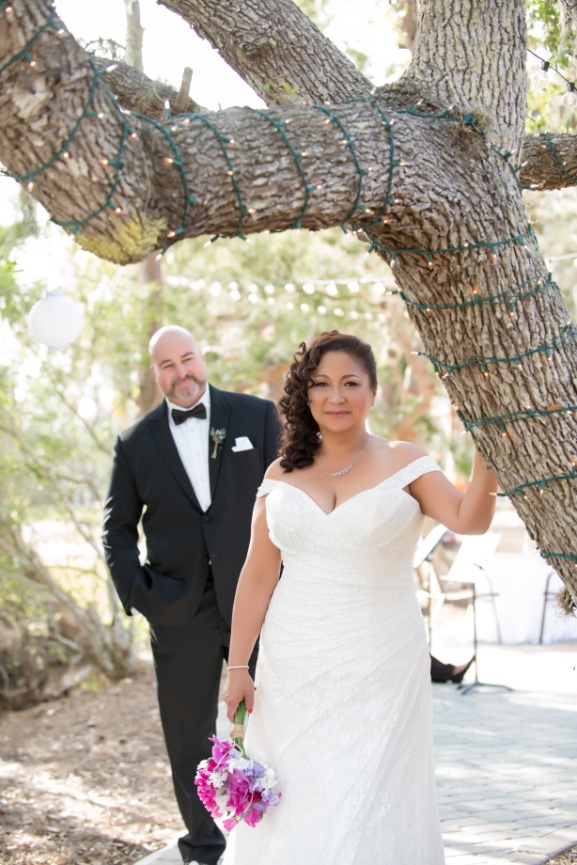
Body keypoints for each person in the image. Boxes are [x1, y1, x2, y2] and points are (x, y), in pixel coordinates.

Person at [222, 331, 498, 865]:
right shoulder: (280, 474)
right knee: (298, 791)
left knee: (372, 790)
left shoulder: (406, 462)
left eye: (351, 383)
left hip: (382, 657)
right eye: (322, 384)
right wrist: (238, 665)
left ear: (372, 393)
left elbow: (471, 519)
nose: (336, 396)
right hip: (293, 661)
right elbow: (257, 575)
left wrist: (488, 447)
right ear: (306, 396)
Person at [102, 325, 282, 865]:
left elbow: (292, 495)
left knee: (279, 711)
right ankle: (204, 846)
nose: (181, 373)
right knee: (188, 734)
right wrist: (142, 594)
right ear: (154, 373)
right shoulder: (136, 444)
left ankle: (280, 832)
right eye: (167, 365)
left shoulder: (256, 417)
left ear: (203, 357)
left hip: (260, 596)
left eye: (187, 359)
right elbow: (116, 530)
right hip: (179, 609)